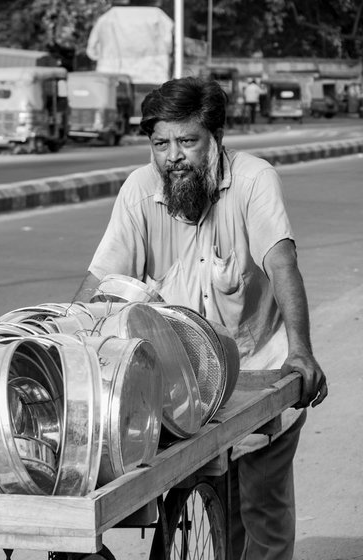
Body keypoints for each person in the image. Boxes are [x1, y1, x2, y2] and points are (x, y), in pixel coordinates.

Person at [76, 77, 327, 560]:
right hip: (187, 379)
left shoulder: (254, 180)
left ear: (215, 139)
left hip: (262, 366)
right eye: (161, 144)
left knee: (263, 510)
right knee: (217, 505)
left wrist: (301, 352)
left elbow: (281, 264)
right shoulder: (140, 189)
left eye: (187, 141)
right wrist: (68, 344)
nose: (174, 156)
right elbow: (102, 283)